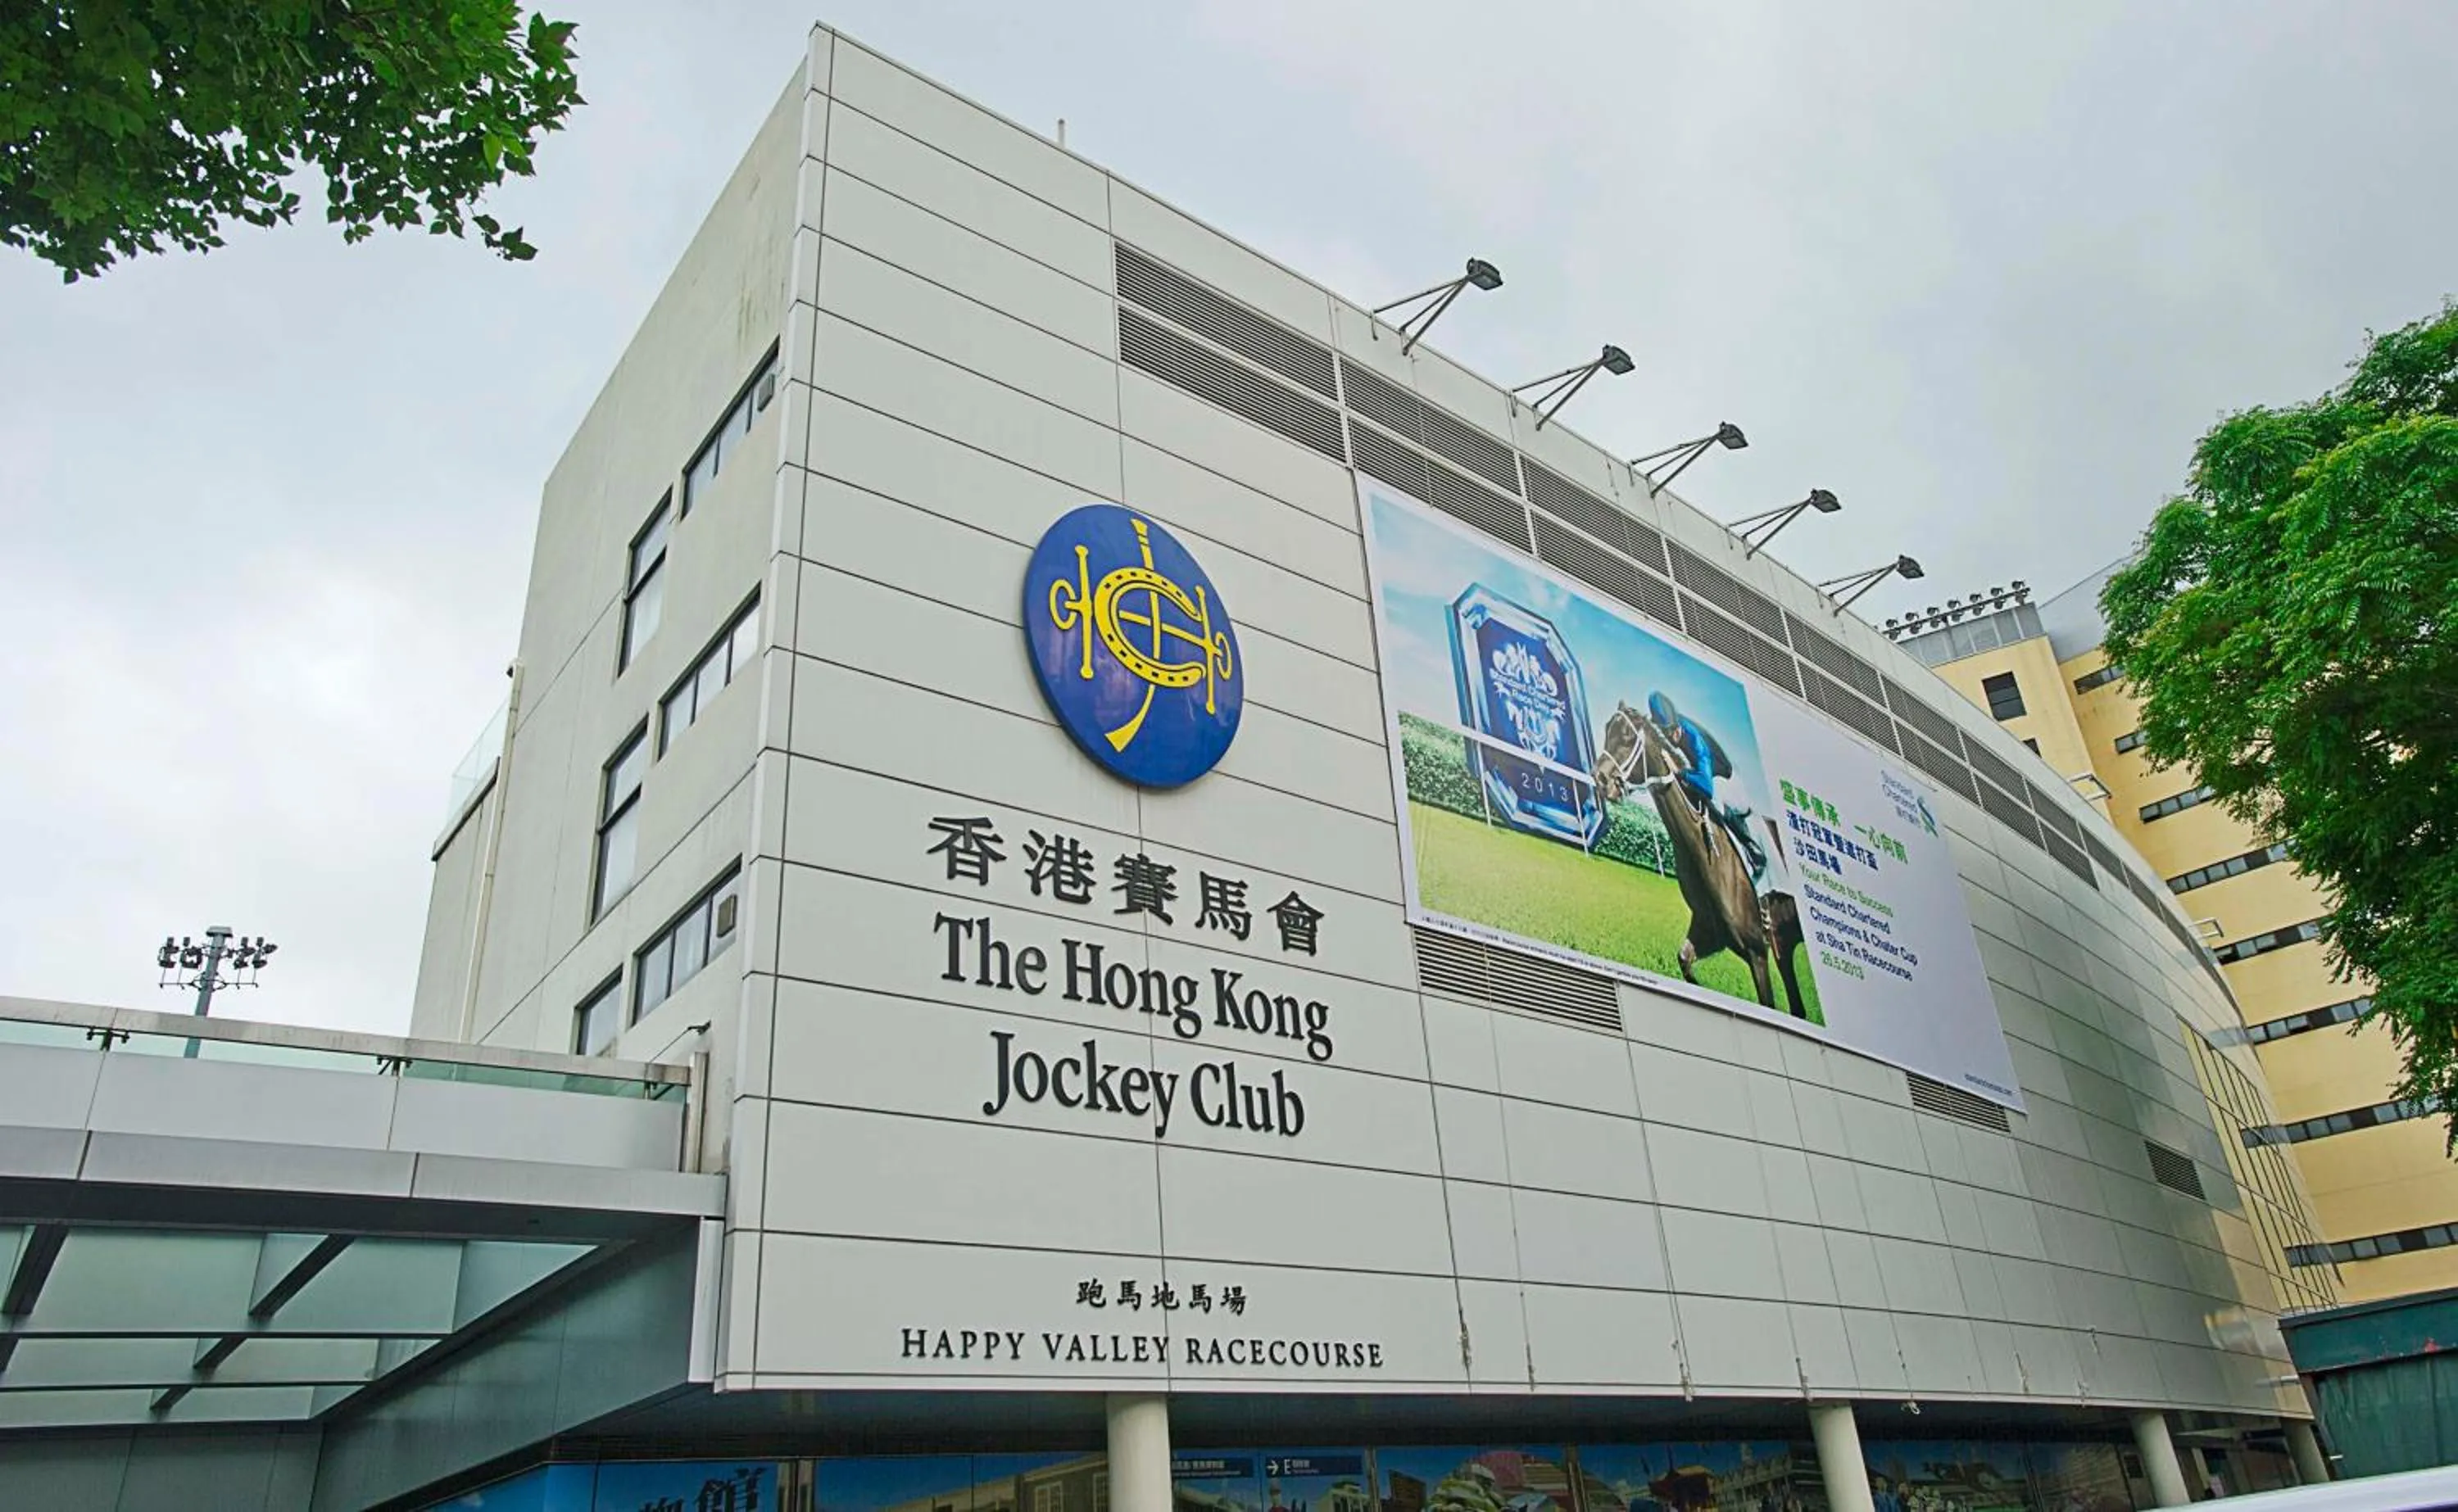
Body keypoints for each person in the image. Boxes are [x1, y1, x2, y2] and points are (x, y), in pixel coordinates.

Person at [1646, 690, 1768, 878]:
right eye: (1666, 732)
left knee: (1714, 800)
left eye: (1671, 731)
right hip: (1709, 775)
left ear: (1677, 724)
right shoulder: (1671, 728)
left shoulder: (1694, 738)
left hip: (1725, 781)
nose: (1671, 737)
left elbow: (1706, 787)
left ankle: (1754, 855)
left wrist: (1679, 772)